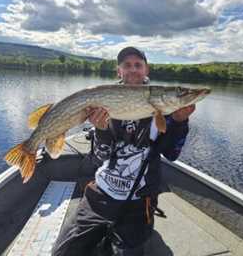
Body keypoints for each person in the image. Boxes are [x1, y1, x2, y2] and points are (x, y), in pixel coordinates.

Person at [52, 47, 195, 256]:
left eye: (138, 65)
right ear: (119, 71)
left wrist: (181, 123)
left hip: (139, 201)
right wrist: (101, 130)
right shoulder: (105, 99)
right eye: (127, 65)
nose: (133, 70)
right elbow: (100, 157)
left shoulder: (165, 108)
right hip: (101, 194)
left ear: (146, 70)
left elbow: (172, 154)